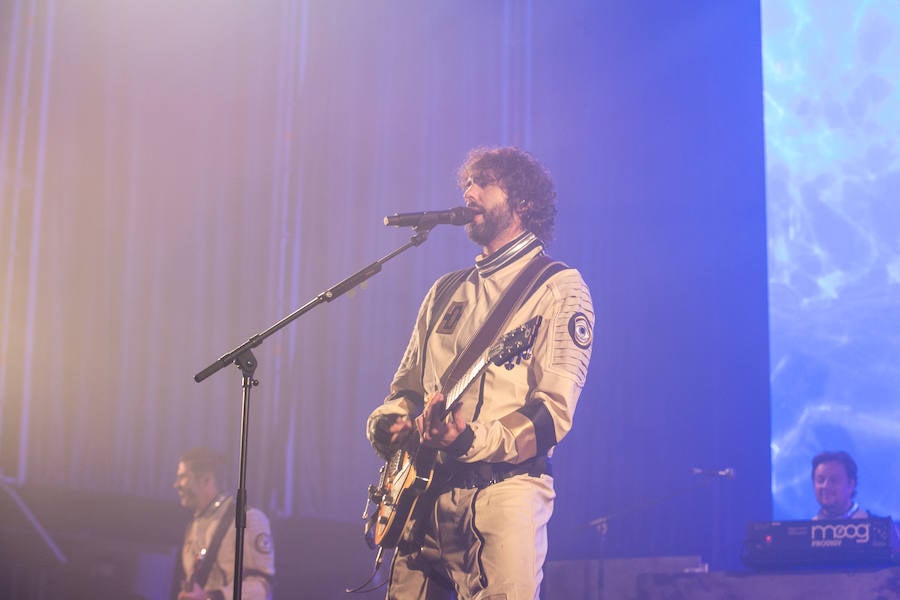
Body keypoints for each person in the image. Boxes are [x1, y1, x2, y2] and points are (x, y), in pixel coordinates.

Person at [366, 146, 594, 599]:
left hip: (503, 493)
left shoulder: (558, 288)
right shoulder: (444, 290)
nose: (468, 192)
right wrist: (388, 421)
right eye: (466, 183)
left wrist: (470, 439)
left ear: (523, 203)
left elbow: (552, 415)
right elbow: (409, 388)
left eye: (482, 182)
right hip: (423, 495)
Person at [172, 447, 275, 600]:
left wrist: (210, 597)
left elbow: (260, 588)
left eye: (182, 477)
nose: (176, 485)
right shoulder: (194, 525)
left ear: (205, 480)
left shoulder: (247, 519)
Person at [811, 450, 870, 520]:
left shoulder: (874, 526)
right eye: (820, 480)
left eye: (833, 480)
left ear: (851, 484)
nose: (825, 486)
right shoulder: (808, 528)